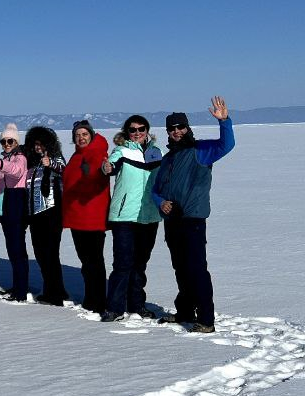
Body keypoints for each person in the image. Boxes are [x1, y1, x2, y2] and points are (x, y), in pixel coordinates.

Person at [151, 97, 235, 333]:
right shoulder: (167, 159)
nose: (177, 131)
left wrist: (224, 121)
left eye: (181, 127)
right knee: (180, 269)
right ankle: (185, 312)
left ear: (187, 128)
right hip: (172, 221)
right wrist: (161, 202)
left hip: (193, 220)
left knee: (197, 269)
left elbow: (226, 145)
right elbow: (155, 190)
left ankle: (206, 319)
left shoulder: (201, 151)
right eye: (172, 128)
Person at [98, 115, 163, 322]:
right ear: (127, 132)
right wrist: (107, 168)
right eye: (132, 130)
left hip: (149, 216)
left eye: (141, 129)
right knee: (123, 263)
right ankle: (114, 307)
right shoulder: (121, 151)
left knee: (140, 264)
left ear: (147, 130)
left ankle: (137, 305)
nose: (137, 133)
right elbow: (111, 166)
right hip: (124, 216)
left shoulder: (156, 152)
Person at [62, 119, 110, 312]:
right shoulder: (76, 156)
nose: (81, 138)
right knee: (87, 262)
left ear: (91, 135)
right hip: (77, 217)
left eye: (84, 134)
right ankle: (91, 298)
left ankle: (98, 301)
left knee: (94, 262)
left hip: (92, 217)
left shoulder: (96, 153)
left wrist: (100, 170)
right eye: (77, 135)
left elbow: (100, 172)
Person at [23, 125, 68, 306]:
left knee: (51, 254)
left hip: (51, 213)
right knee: (41, 254)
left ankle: (55, 292)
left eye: (41, 144)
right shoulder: (32, 163)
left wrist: (52, 164)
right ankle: (53, 288)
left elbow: (64, 169)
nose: (38, 147)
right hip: (35, 215)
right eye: (35, 144)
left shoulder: (55, 159)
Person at [0, 123, 29, 301]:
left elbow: (17, 172)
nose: (7, 144)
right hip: (5, 208)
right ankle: (17, 286)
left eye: (10, 141)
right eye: (4, 141)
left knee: (17, 250)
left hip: (16, 205)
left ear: (16, 142)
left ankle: (21, 291)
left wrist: (0, 164)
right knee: (13, 250)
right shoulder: (6, 160)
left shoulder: (19, 158)